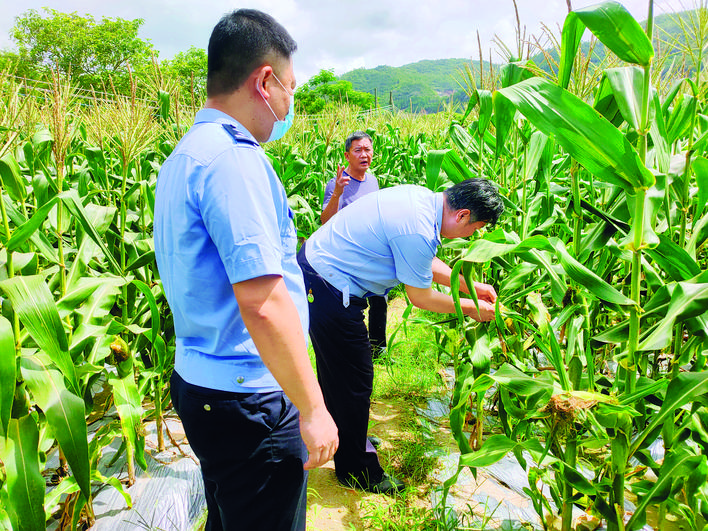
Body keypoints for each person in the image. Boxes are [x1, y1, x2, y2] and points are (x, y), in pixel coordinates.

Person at [153, 9, 338, 531]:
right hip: (247, 397)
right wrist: (312, 407)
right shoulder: (234, 161)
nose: (289, 103)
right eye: (290, 89)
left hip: (202, 383)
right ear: (264, 81)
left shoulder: (186, 156)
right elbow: (262, 301)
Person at [297, 178, 504, 495]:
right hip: (327, 284)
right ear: (462, 215)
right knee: (354, 379)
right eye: (474, 228)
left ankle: (347, 437)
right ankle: (357, 470)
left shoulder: (423, 202)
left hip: (324, 275)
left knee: (340, 374)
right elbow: (421, 297)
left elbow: (422, 259)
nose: (472, 234)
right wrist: (471, 308)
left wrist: (470, 288)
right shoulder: (418, 228)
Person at [321, 131, 387, 358]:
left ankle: (378, 349)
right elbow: (325, 221)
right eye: (358, 150)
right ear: (347, 155)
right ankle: (351, 348)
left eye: (367, 150)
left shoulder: (373, 180)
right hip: (348, 255)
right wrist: (338, 192)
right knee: (353, 304)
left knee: (380, 299)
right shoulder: (337, 183)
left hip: (372, 251)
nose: (364, 155)